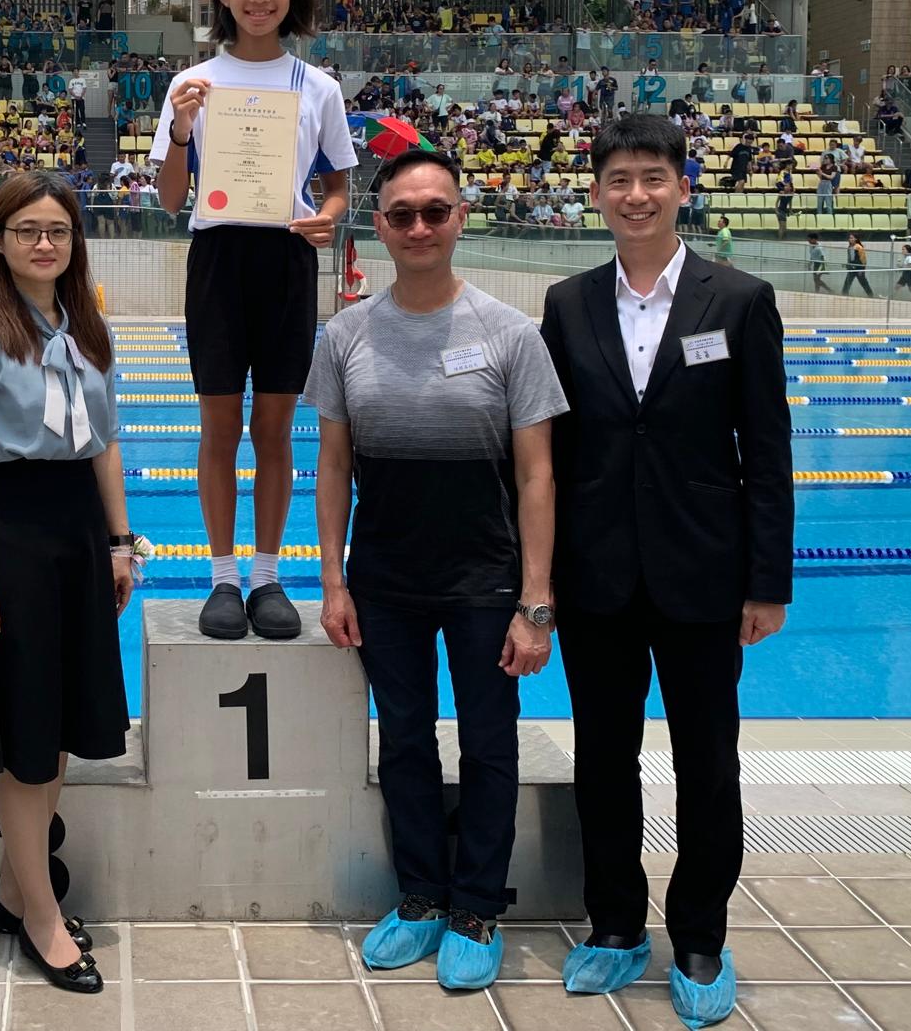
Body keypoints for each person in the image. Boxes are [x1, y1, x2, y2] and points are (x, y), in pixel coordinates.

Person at [539, 113, 793, 1029]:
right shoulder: (568, 304)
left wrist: (767, 581)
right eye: (619, 179)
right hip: (597, 572)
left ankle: (699, 936)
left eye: (653, 177)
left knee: (707, 762)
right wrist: (542, 578)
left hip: (704, 573)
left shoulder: (741, 299)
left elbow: (767, 449)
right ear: (596, 194)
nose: (636, 194)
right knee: (603, 757)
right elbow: (552, 450)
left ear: (683, 188)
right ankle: (614, 925)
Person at [310, 150, 567, 991]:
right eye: (402, 214)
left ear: (460, 218)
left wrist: (536, 601)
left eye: (434, 211)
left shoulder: (510, 333)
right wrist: (334, 581)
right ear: (380, 227)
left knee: (489, 743)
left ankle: (477, 907)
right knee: (406, 740)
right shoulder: (345, 335)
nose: (418, 227)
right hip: (385, 579)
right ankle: (421, 895)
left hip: (485, 579)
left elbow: (537, 475)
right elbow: (333, 467)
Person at [0, 174, 133, 997]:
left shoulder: (86, 329)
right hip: (12, 538)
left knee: (55, 731)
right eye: (27, 230)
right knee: (24, 739)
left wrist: (119, 542)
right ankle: (42, 919)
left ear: (74, 241)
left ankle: (16, 895)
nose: (44, 243)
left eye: (57, 230)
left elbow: (105, 444)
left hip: (79, 536)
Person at [149, 0, 354, 641]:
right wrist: (181, 130)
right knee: (218, 427)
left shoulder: (317, 87)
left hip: (287, 260)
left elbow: (337, 186)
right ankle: (222, 576)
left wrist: (327, 218)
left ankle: (267, 576)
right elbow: (170, 200)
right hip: (217, 259)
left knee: (273, 427)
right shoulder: (192, 85)